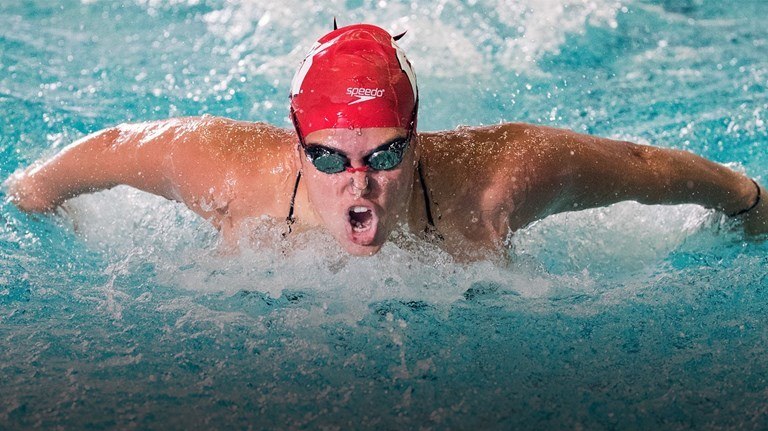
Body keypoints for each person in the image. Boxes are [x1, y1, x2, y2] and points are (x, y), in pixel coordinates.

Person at [4, 23, 766, 260]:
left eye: (385, 155)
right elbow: (103, 149)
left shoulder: (498, 178)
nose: (358, 183)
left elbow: (637, 167)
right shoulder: (231, 171)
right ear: (296, 144)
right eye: (329, 158)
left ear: (417, 139)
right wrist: (29, 202)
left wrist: (748, 197)